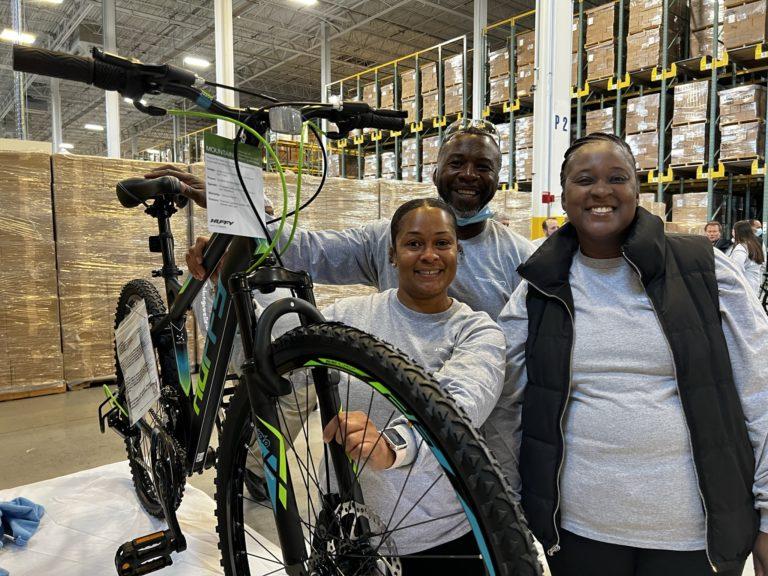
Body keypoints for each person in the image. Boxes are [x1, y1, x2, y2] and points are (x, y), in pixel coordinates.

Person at [490, 132, 768, 576]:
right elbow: (504, 400)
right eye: (584, 179)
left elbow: (761, 388)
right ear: (563, 195)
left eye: (617, 177)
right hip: (579, 535)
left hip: (694, 538)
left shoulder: (702, 268)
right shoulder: (539, 287)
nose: (601, 191)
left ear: (638, 191)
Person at [145, 119, 535, 321]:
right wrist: (233, 220)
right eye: (457, 162)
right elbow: (307, 251)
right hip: (388, 404)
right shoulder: (388, 236)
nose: (469, 174)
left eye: (483, 166)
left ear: (498, 177)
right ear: (435, 171)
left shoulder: (520, 259)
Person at [309, 198, 507, 574]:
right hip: (345, 528)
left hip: (439, 540)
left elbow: (461, 403)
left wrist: (393, 445)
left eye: (442, 243)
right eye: (414, 243)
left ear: (457, 253)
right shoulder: (346, 317)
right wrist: (220, 278)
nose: (429, 255)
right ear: (392, 254)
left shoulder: (478, 331)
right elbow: (268, 355)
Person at [728, 219, 765, 297]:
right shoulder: (754, 245)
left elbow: (736, 269)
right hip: (753, 285)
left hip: (743, 288)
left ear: (738, 232)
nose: (732, 232)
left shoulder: (741, 247)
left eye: (733, 230)